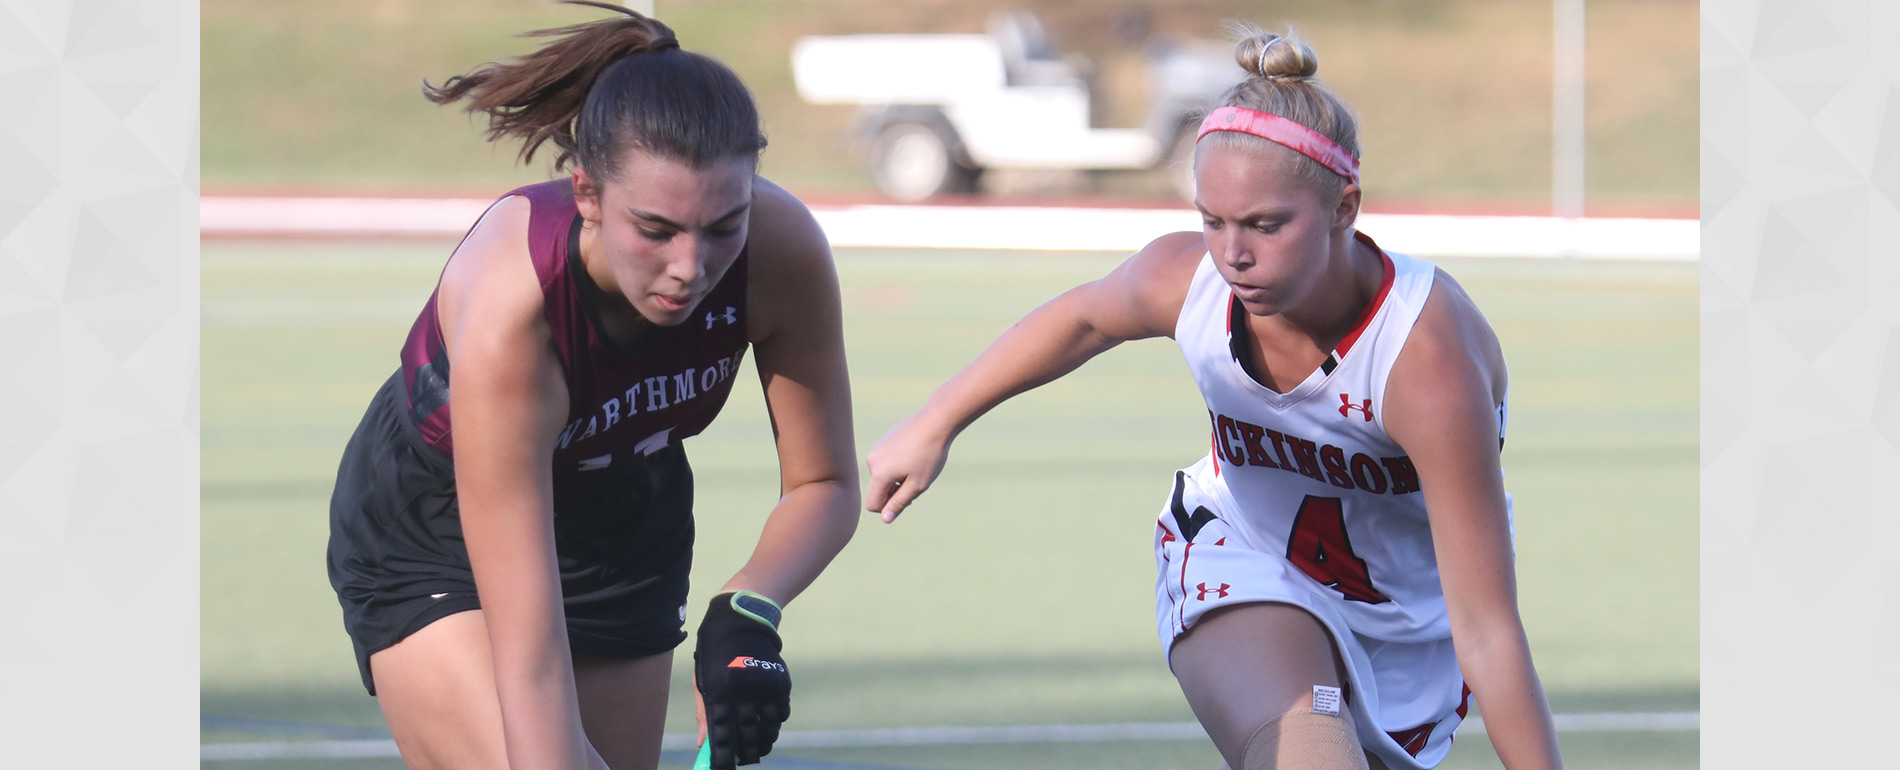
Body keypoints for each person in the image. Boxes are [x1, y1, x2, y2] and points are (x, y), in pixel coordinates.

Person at [866, 29, 1563, 770]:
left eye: (1265, 225)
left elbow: (1487, 632)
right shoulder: (1191, 280)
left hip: (1408, 622)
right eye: (1212, 220)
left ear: (1343, 206)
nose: (1232, 253)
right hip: (1245, 555)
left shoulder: (1424, 363)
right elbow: (1082, 319)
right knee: (1312, 757)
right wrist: (936, 421)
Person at [324, 4, 859, 769]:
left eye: (722, 227)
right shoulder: (518, 313)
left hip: (627, 520)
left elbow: (825, 481)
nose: (690, 267)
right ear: (586, 195)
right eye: (655, 229)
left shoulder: (781, 251)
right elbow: (530, 658)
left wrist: (748, 607)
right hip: (439, 527)